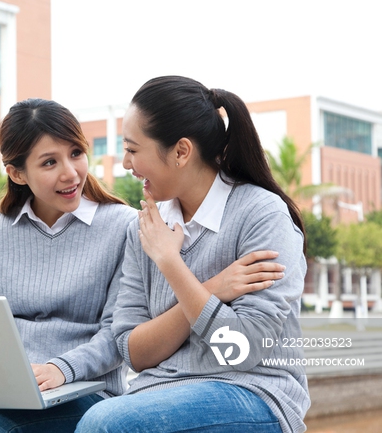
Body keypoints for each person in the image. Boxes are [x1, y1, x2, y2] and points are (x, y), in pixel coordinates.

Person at [0, 98, 284, 433]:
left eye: (76, 153)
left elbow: (116, 340)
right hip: (8, 386)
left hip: (81, 387)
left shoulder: (125, 225)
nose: (71, 172)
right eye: (50, 162)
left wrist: (61, 368)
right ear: (17, 173)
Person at [76, 76, 310, 433]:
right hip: (156, 389)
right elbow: (134, 351)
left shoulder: (263, 215)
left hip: (252, 391)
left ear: (181, 151)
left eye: (134, 149)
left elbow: (241, 350)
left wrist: (171, 263)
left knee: (104, 424)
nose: (125, 162)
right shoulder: (145, 227)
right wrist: (214, 287)